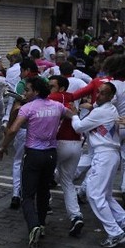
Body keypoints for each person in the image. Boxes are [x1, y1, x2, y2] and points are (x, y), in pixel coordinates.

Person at [0, 76, 75, 248]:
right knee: (44, 191)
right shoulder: (56, 106)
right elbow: (73, 115)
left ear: (36, 92)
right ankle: (41, 223)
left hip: (33, 154)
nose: (25, 93)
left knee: (28, 195)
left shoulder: (28, 108)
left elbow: (14, 129)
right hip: (51, 155)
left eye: (28, 90)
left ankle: (33, 226)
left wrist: (3, 146)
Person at [70, 82, 125, 248]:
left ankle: (115, 232)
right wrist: (90, 105)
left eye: (102, 93)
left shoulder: (102, 111)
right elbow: (95, 106)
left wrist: (74, 114)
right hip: (108, 155)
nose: (98, 95)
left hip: (105, 155)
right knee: (106, 195)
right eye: (98, 92)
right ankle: (122, 221)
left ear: (110, 97)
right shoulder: (108, 108)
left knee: (94, 194)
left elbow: (79, 127)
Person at [47, 75, 85, 237]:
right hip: (76, 144)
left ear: (61, 88)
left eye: (52, 86)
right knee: (67, 182)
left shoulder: (55, 97)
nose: (49, 89)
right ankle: (76, 216)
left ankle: (45, 204)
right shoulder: (70, 97)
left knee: (43, 174)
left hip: (60, 143)